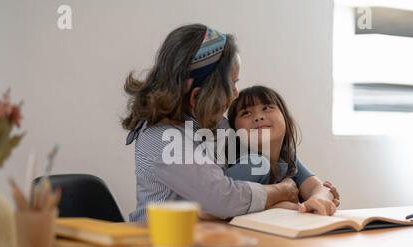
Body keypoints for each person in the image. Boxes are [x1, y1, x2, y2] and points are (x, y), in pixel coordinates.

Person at [123, 24, 300, 222]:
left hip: (205, 233)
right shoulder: (160, 138)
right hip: (157, 240)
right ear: (197, 97)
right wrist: (280, 191)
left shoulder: (212, 125)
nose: (236, 93)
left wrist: (315, 188)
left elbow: (265, 155)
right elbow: (223, 199)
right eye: (232, 84)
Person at [226, 85, 340, 215]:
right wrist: (275, 207)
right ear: (234, 132)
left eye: (266, 108)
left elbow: (319, 188)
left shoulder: (287, 157)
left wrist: (319, 198)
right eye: (246, 113)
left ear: (287, 119)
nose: (258, 117)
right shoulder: (252, 164)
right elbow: (219, 202)